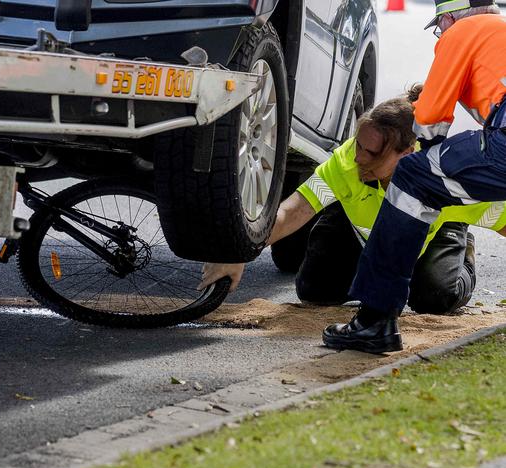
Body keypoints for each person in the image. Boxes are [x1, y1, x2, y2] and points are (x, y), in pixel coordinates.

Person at [200, 86, 506, 325]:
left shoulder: (446, 176)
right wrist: (236, 251)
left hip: (435, 234)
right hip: (358, 229)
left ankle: (460, 243)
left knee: (435, 298)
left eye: (371, 152)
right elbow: (292, 211)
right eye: (358, 144)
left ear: (407, 153)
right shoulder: (348, 162)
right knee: (316, 290)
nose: (359, 157)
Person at [323, 0, 506, 354]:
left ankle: (374, 321)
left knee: (411, 177)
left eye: (440, 26)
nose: (441, 34)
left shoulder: (463, 32)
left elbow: (432, 118)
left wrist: (427, 151)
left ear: (450, 17)